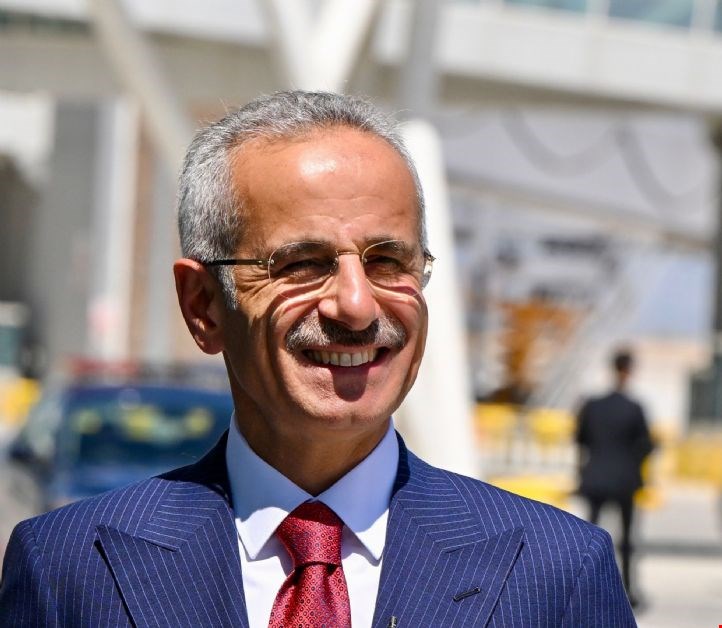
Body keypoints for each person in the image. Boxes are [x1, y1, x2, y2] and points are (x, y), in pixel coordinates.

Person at [0, 91, 635, 627]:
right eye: (302, 263)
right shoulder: (68, 570)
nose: (356, 305)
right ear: (203, 305)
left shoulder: (556, 574)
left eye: (388, 261)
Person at [576, 347, 654, 608]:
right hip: (624, 479)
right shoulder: (634, 408)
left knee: (590, 538)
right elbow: (646, 445)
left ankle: (583, 587)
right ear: (630, 370)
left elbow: (580, 439)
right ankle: (628, 589)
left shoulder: (592, 405)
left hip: (596, 476)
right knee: (627, 539)